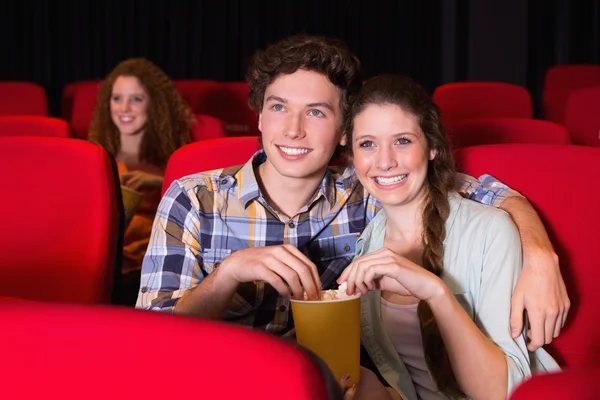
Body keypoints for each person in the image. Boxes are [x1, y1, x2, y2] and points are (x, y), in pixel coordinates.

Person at [136, 34, 569, 351]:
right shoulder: (193, 198)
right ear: (260, 119)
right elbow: (152, 337)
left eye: (316, 112)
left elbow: (486, 192)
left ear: (345, 131)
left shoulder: (368, 187)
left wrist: (539, 254)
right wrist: (229, 273)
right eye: (279, 107)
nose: (293, 129)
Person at [336, 74, 560, 400]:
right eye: (367, 144)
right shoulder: (369, 239)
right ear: (353, 155)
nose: (384, 161)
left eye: (402, 141)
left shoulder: (490, 230)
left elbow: (502, 393)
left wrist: (435, 292)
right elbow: (405, 380)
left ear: (432, 148)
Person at [88, 57, 195, 305]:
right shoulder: (93, 159)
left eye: (136, 99)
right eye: (117, 99)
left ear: (154, 105)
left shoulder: (178, 160)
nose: (124, 108)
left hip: (159, 268)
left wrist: (161, 183)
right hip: (108, 268)